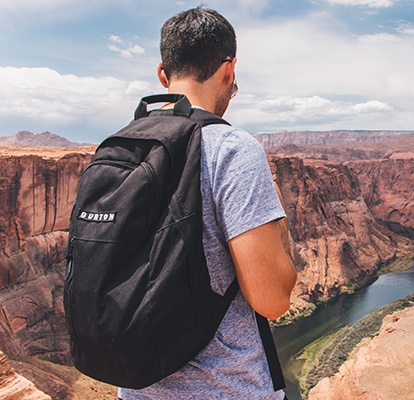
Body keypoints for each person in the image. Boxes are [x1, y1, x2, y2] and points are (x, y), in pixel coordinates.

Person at [118, 6, 297, 400]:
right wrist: (277, 218)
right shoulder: (231, 149)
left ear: (162, 74)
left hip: (136, 391)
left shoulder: (122, 147)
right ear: (229, 71)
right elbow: (273, 300)